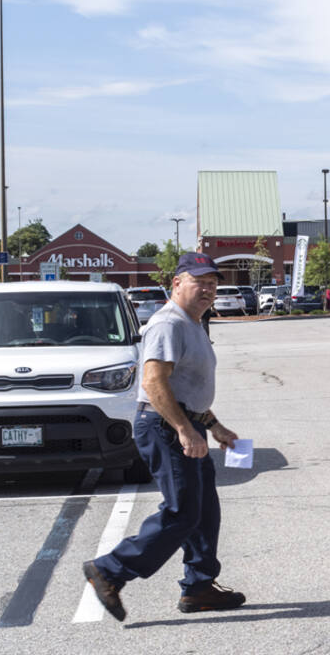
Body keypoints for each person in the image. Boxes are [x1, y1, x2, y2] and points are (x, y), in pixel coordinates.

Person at [83, 252, 245, 620]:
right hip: (163, 425)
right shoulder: (168, 324)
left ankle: (200, 586)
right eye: (198, 281)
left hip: (184, 421)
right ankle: (109, 570)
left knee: (204, 509)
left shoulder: (193, 323)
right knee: (182, 511)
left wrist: (213, 425)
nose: (207, 289)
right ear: (176, 283)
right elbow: (154, 382)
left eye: (212, 283)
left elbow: (185, 388)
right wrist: (184, 429)